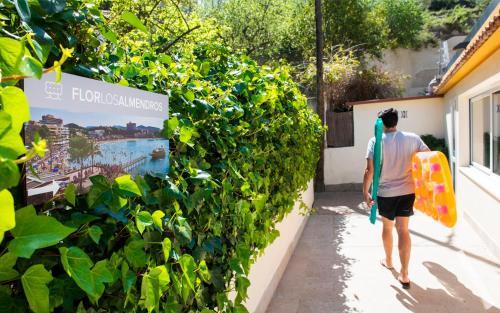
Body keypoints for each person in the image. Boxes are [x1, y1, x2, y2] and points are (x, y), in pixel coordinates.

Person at [362, 108, 429, 289]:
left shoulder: (375, 141)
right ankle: (405, 273)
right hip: (408, 191)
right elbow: (428, 157)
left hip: (385, 193)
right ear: (396, 121)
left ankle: (389, 261)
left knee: (388, 227)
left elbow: (370, 170)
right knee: (403, 230)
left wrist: (365, 192)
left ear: (381, 123)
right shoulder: (413, 138)